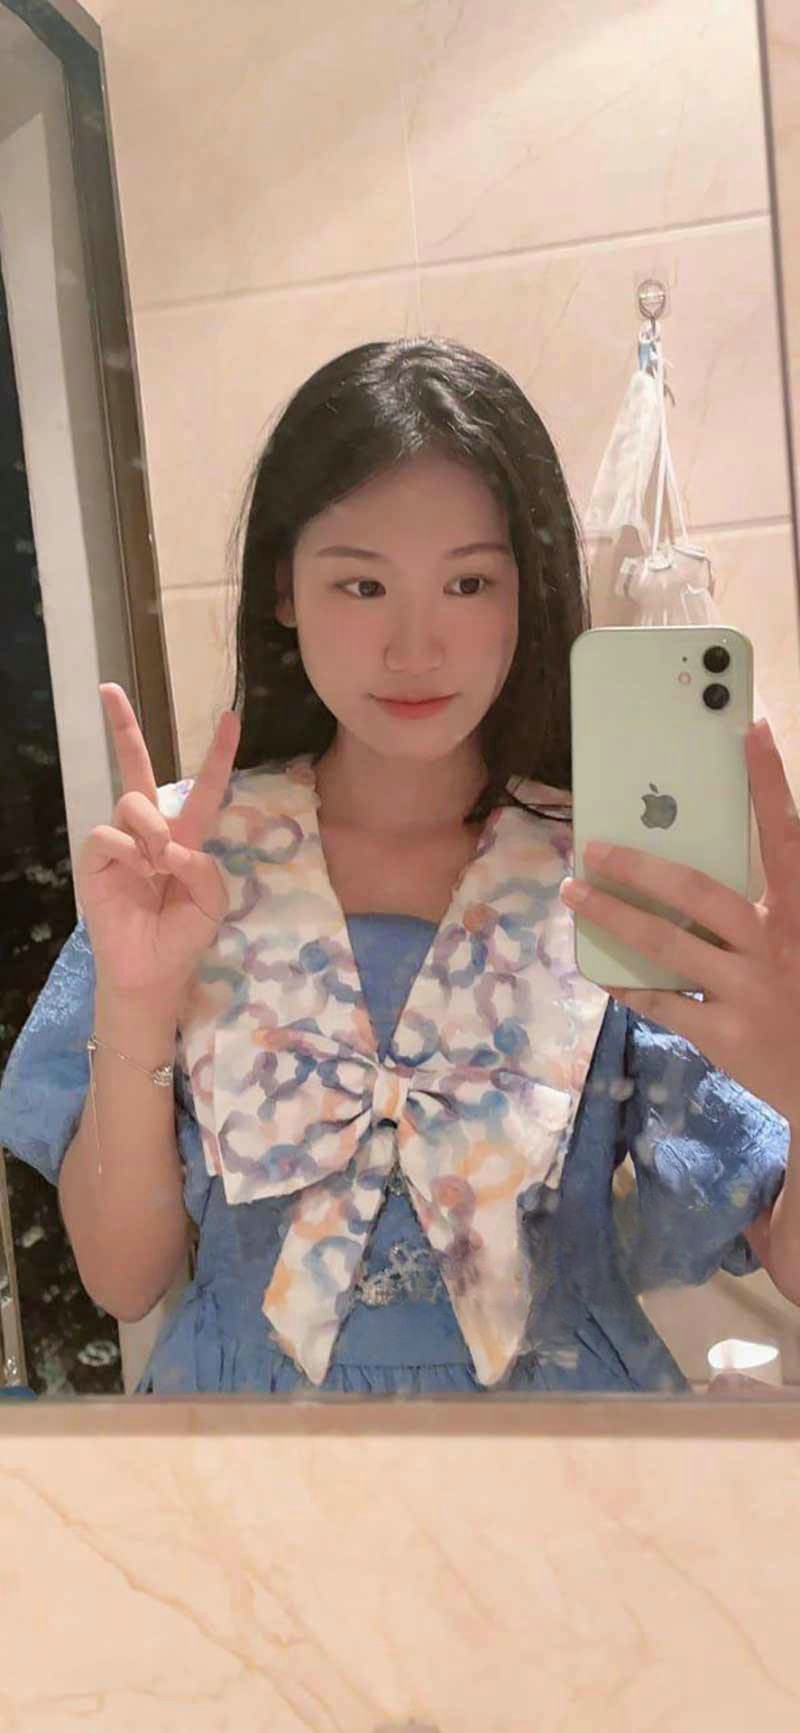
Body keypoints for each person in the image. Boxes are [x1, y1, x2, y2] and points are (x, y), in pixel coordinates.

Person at [0, 337, 791, 1398]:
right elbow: (122, 1278)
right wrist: (137, 1002)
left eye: (468, 581)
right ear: (284, 587)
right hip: (250, 1462)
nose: (415, 648)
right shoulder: (182, 861)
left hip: (565, 1464)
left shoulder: (610, 869)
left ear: (525, 593)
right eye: (362, 583)